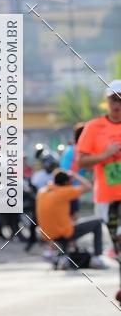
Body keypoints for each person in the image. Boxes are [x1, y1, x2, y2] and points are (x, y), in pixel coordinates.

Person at [76, 81, 121, 300]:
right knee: (117, 241)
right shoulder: (94, 127)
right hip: (108, 197)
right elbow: (81, 161)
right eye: (113, 99)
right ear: (106, 101)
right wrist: (105, 154)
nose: (117, 104)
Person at [35, 169, 105, 266]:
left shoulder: (41, 192)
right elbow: (89, 187)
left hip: (47, 235)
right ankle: (97, 257)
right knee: (97, 223)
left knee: (68, 224)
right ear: (66, 182)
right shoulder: (64, 192)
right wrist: (74, 175)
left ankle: (63, 256)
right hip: (64, 233)